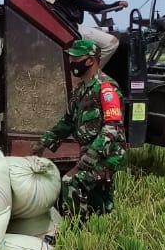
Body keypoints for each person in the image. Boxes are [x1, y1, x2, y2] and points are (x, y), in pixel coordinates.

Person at [33, 38, 127, 220]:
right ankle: (97, 229)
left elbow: (112, 127)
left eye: (77, 58)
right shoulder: (80, 90)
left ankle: (75, 230)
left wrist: (91, 156)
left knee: (70, 182)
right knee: (98, 202)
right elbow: (67, 121)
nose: (72, 63)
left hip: (107, 155)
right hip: (90, 153)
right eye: (71, 58)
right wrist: (43, 142)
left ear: (91, 60)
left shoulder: (106, 88)